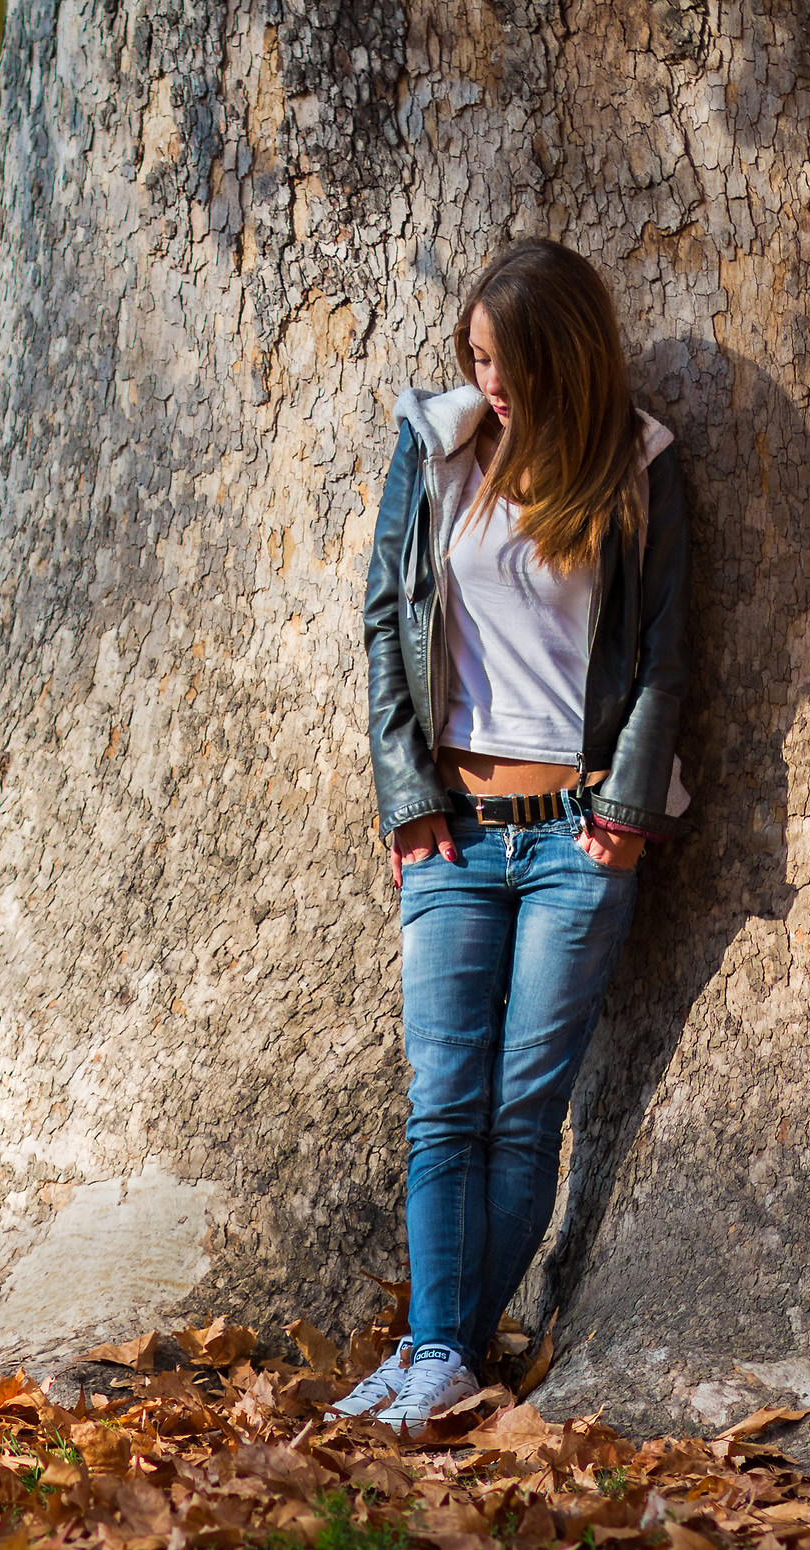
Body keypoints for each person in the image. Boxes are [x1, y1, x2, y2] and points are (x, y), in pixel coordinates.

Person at [339, 238, 692, 1427]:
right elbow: (386, 623)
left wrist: (626, 815)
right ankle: (440, 1351)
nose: (491, 381)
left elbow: (664, 654)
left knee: (523, 1111)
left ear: (567, 358)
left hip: (575, 842)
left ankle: (437, 1352)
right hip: (451, 831)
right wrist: (408, 798)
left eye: (513, 361)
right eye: (478, 355)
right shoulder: (435, 446)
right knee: (442, 1100)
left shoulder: (638, 467)